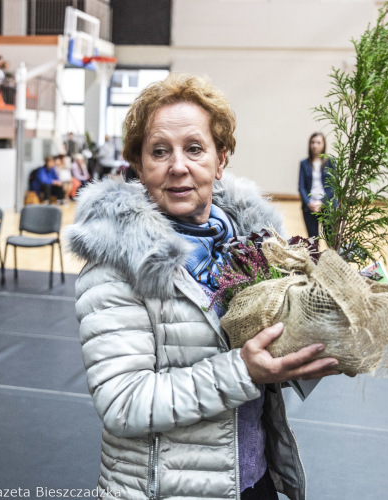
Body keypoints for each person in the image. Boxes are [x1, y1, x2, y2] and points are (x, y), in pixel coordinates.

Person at [67, 73, 340, 500]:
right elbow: (123, 403)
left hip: (252, 478)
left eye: (194, 148)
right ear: (138, 165)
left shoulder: (252, 249)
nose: (178, 166)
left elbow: (261, 358)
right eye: (159, 151)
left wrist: (313, 341)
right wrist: (244, 370)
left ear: (221, 159)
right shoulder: (115, 266)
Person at [298, 132, 334, 238]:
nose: (315, 145)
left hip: (327, 205)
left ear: (323, 144)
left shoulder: (330, 162)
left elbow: (333, 186)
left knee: (330, 237)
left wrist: (322, 202)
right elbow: (301, 187)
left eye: (318, 142)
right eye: (312, 142)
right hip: (310, 207)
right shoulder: (304, 163)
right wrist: (309, 203)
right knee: (313, 240)